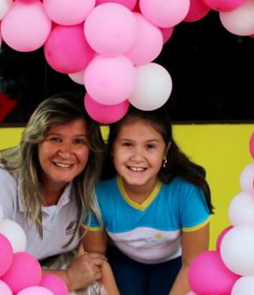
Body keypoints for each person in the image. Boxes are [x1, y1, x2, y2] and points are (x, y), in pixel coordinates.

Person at [0, 93, 110, 292]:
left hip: (56, 265)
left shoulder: (90, 179)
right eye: (55, 139)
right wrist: (68, 277)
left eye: (78, 142)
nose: (66, 152)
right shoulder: (0, 181)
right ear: (36, 142)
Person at [83, 107, 214, 295]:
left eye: (150, 146)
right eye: (127, 144)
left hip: (174, 263)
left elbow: (193, 264)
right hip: (122, 261)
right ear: (112, 148)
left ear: (165, 151)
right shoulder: (96, 191)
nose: (137, 157)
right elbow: (97, 259)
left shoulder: (187, 191)